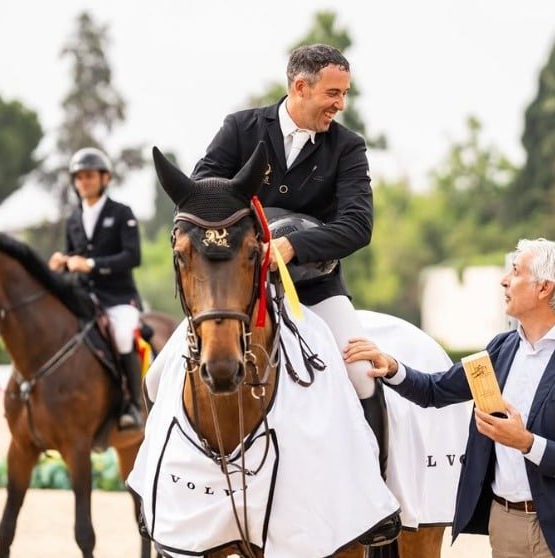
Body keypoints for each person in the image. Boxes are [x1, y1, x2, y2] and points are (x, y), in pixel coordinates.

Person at [192, 43, 399, 543]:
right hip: (239, 290)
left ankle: (372, 500)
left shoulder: (347, 147)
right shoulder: (241, 129)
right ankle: (169, 492)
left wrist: (293, 244)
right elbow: (201, 188)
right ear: (299, 87)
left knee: (361, 378)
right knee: (159, 381)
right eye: (333, 93)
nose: (340, 104)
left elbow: (358, 225)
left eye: (345, 94)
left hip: (317, 288)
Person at [344, 239, 555, 558]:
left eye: (516, 272)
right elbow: (436, 390)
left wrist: (527, 443)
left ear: (544, 288)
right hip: (506, 525)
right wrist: (391, 367)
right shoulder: (500, 350)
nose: (504, 280)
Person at [49, 147, 145, 431]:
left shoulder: (121, 214)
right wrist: (62, 263)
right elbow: (73, 258)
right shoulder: (73, 219)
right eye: (78, 178)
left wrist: (91, 264)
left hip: (117, 297)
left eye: (89, 176)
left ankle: (133, 405)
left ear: (105, 178)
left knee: (124, 336)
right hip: (83, 296)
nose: (83, 183)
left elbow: (132, 257)